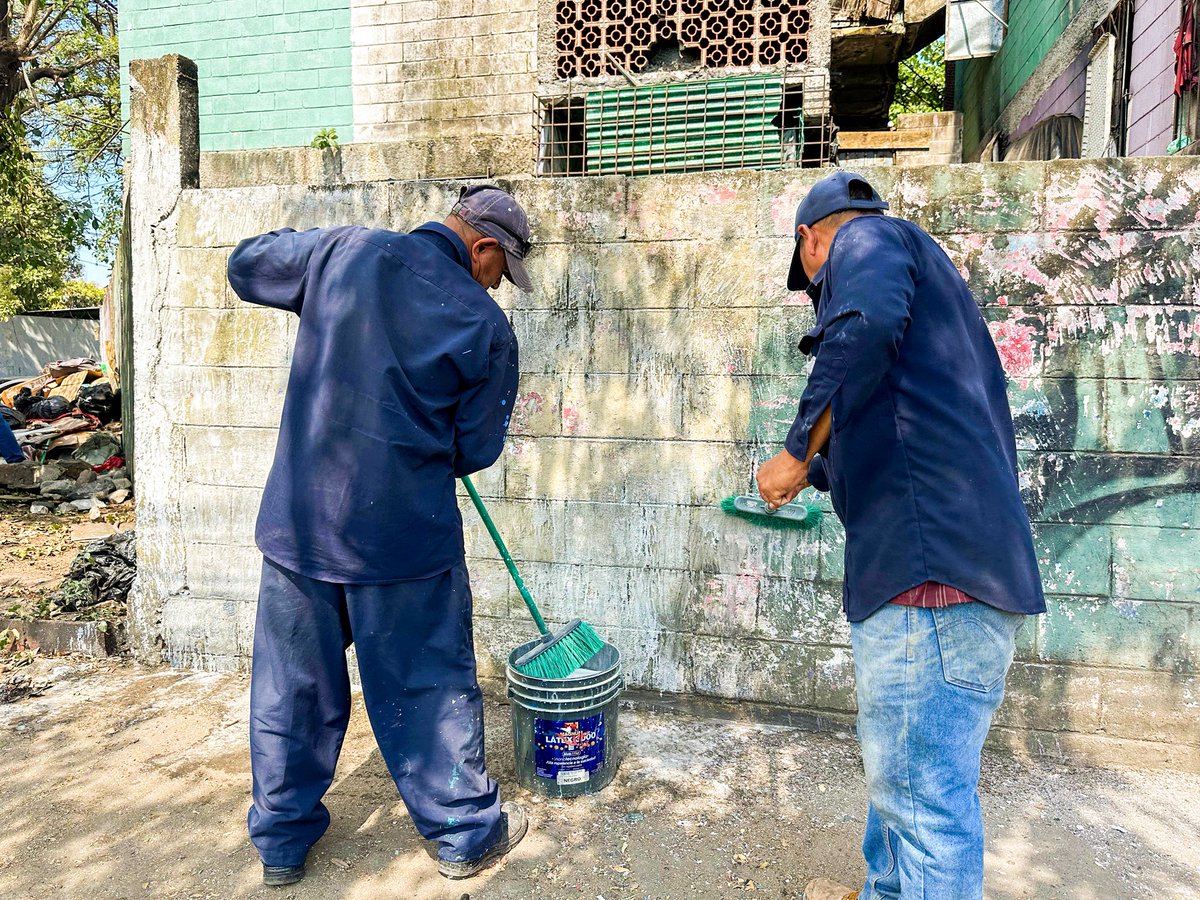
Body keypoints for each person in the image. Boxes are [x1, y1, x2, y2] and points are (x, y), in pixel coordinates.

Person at [226, 185, 533, 886]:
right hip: (404, 538)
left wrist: (322, 251)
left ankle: (281, 845)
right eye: (501, 271)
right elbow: (475, 448)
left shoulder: (343, 251)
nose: (497, 286)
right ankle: (463, 833)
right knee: (427, 686)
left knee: (291, 693)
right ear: (484, 247)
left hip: (300, 529)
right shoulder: (484, 325)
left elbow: (246, 265)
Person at [755, 171, 1046, 900]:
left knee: (924, 809)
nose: (822, 299)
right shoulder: (929, 290)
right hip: (951, 574)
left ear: (811, 240)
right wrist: (817, 469)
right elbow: (893, 421)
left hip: (930, 584)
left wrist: (794, 451)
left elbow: (867, 324)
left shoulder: (867, 238)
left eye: (817, 286)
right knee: (906, 791)